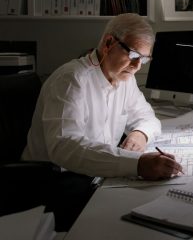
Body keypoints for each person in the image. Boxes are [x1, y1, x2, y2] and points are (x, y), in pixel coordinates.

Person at [22, 13, 183, 231]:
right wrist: (137, 164)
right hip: (53, 183)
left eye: (144, 59)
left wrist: (140, 134)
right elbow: (64, 148)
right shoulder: (71, 80)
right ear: (109, 43)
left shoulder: (124, 78)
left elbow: (148, 117)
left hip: (95, 176)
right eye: (134, 54)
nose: (137, 66)